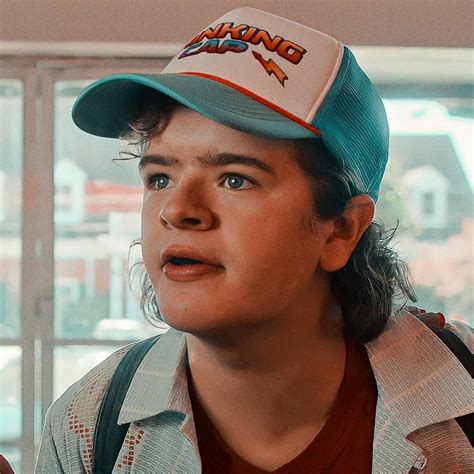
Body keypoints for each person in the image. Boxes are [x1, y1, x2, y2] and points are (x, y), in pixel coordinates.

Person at [35, 8, 473, 473]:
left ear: (342, 229)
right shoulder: (88, 427)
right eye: (160, 178)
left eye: (235, 179)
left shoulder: (461, 406)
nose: (176, 209)